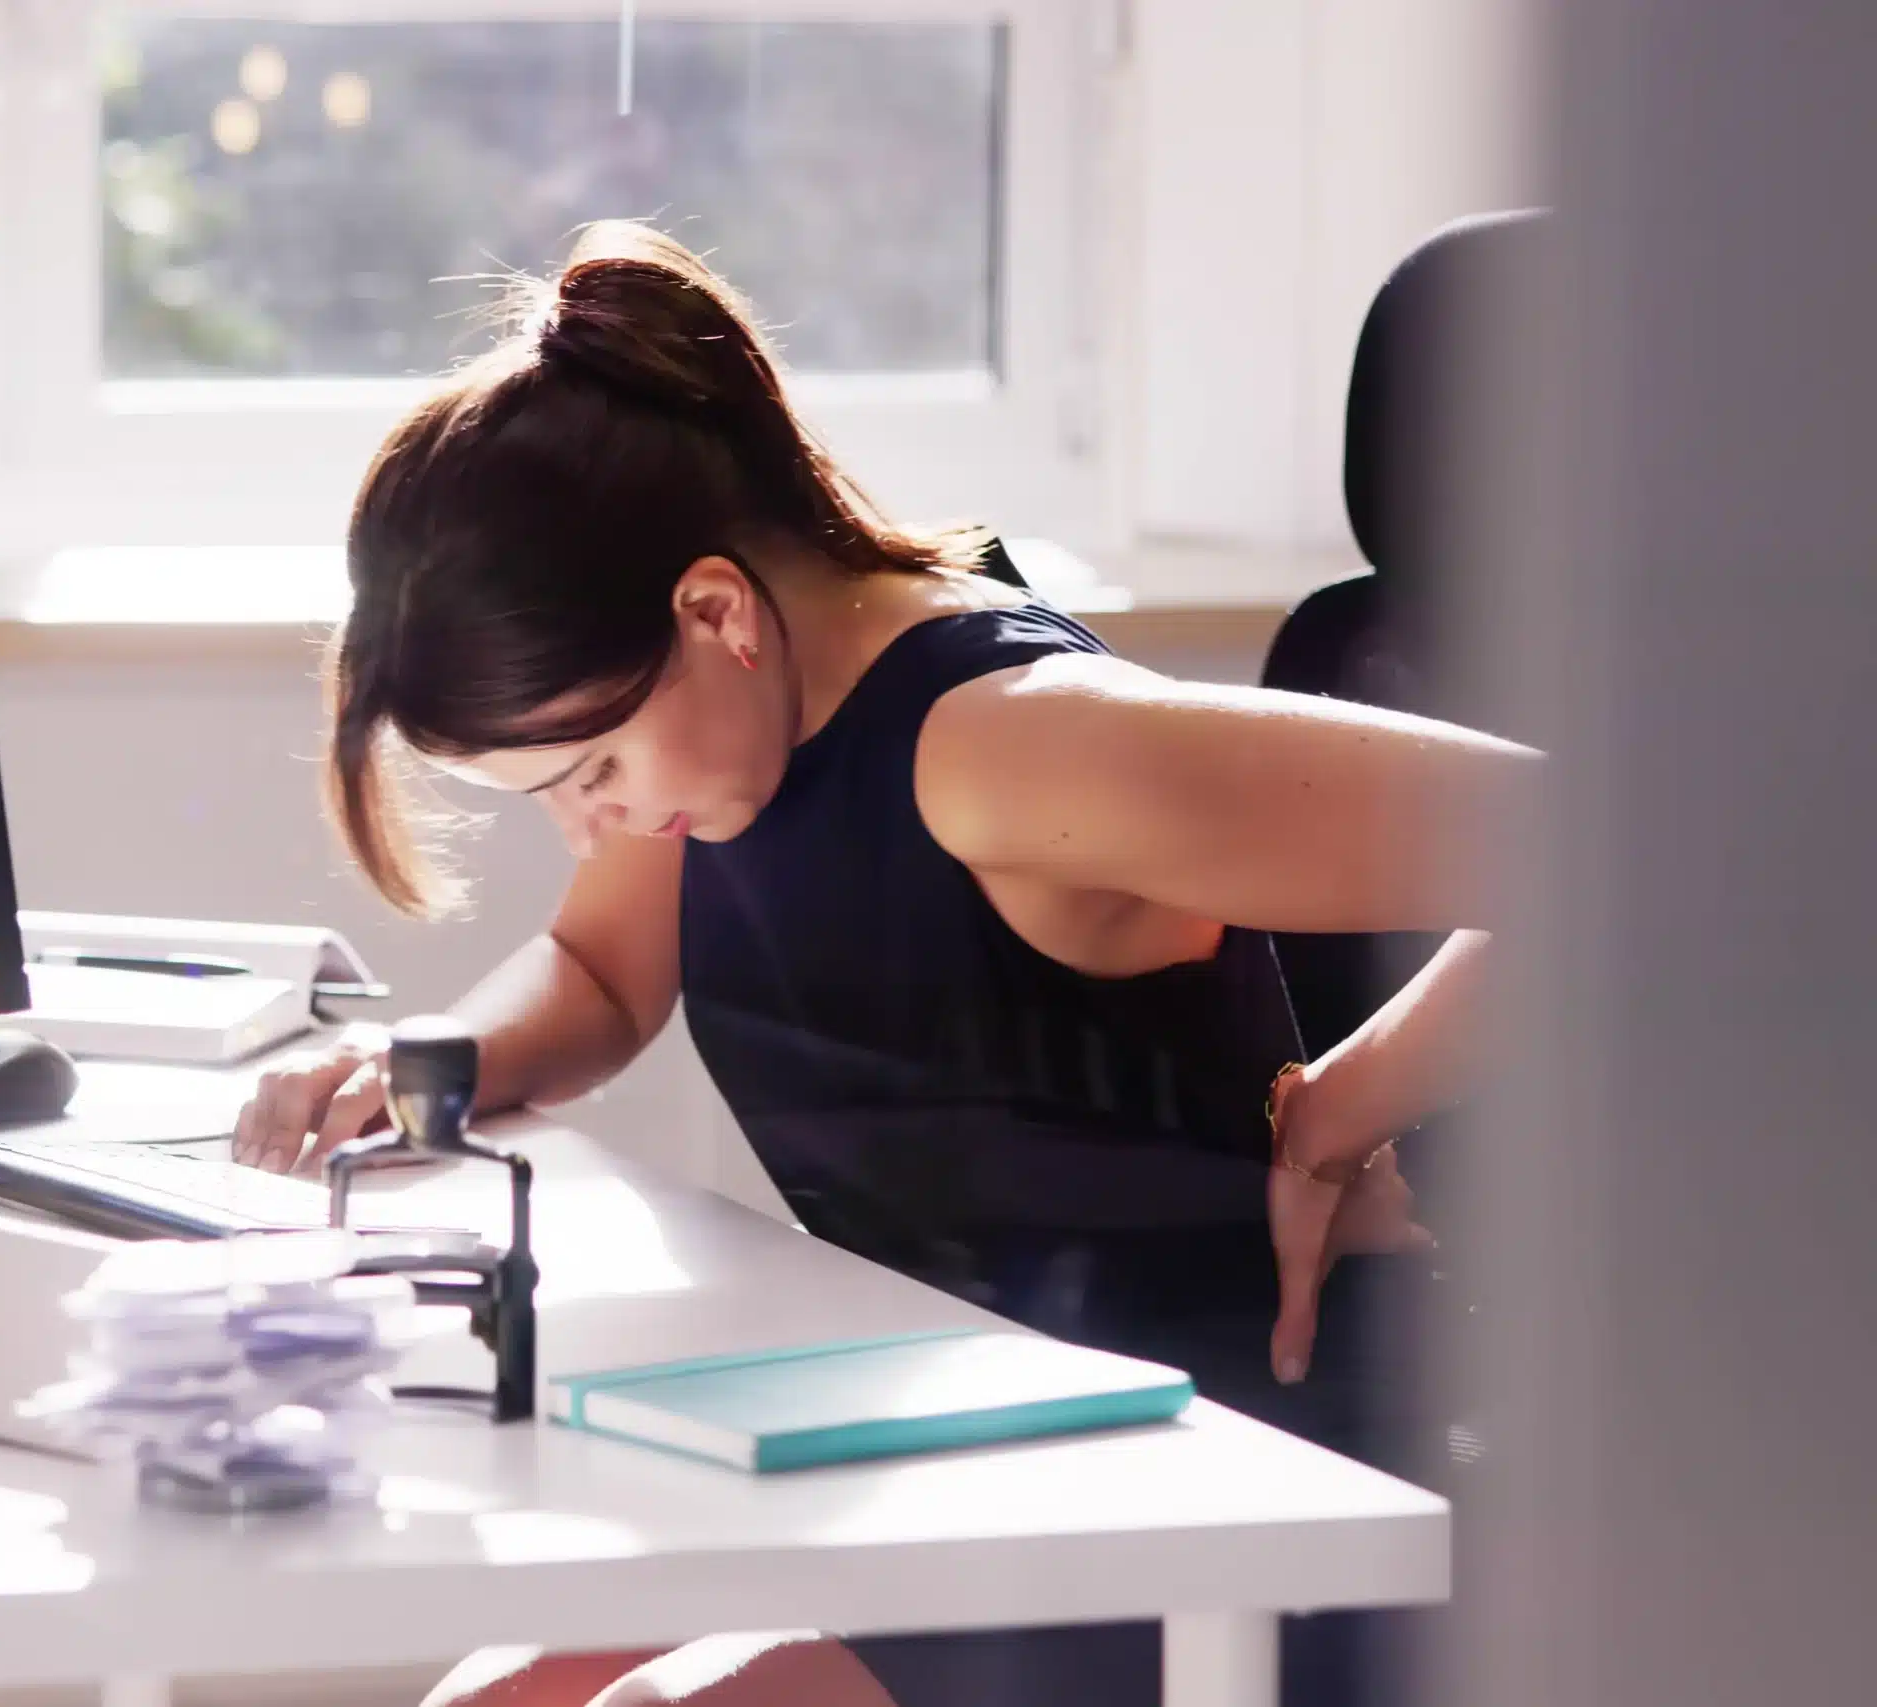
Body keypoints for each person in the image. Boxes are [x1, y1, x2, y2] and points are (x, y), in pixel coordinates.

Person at [234, 221, 1534, 1707]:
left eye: (587, 766)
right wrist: (432, 1067)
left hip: (1229, 1481)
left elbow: (1619, 841)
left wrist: (1348, 1102)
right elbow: (598, 979)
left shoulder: (1013, 748)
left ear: (713, 611)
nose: (591, 819)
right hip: (965, 1451)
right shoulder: (727, 728)